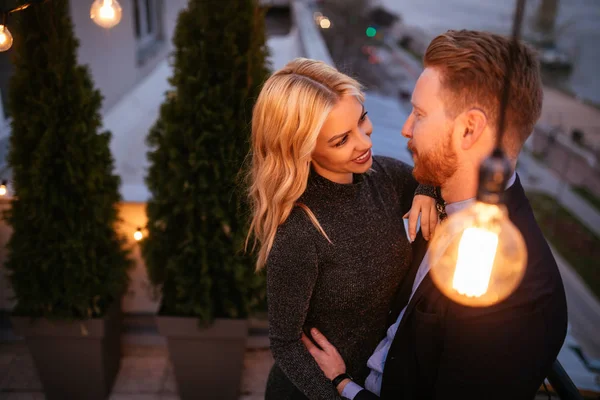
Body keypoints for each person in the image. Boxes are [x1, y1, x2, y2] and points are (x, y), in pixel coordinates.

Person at [302, 30, 568, 400]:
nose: (406, 128)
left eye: (420, 114)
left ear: (469, 129)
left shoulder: (515, 297)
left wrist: (342, 385)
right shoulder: (440, 200)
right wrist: (426, 188)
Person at [246, 58, 440, 399]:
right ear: (303, 149)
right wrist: (335, 392)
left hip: (374, 382)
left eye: (362, 121)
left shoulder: (384, 177)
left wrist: (425, 189)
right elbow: (285, 344)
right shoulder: (300, 230)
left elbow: (431, 180)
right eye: (341, 140)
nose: (364, 143)